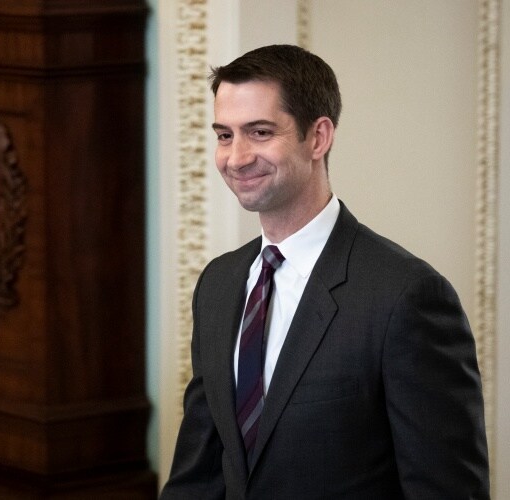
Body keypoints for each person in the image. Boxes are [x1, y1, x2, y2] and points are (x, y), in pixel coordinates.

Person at [160, 44, 489, 499]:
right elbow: (198, 475)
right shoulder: (218, 283)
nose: (235, 158)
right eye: (224, 135)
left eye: (259, 132)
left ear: (318, 138)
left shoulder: (407, 296)